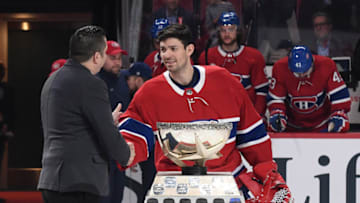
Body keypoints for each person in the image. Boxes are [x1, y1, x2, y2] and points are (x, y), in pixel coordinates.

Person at [118, 24, 292, 202]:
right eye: (163, 49)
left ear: (189, 49)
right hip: (175, 185)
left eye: (173, 49)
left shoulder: (224, 81)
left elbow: (252, 136)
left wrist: (268, 176)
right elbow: (130, 143)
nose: (166, 55)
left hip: (228, 181)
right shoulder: (149, 93)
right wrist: (119, 143)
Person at [38, 25, 134, 203]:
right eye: (105, 53)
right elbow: (106, 133)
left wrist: (107, 120)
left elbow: (72, 125)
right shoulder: (91, 83)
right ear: (97, 56)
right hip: (79, 183)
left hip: (53, 179)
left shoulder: (53, 79)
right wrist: (127, 154)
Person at [198, 12, 269, 117]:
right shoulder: (207, 56)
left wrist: (256, 116)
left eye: (231, 30)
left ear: (238, 31)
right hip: (217, 116)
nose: (227, 34)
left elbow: (261, 91)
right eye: (223, 30)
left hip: (246, 114)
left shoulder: (254, 56)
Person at [267, 45, 351, 132]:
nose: (301, 76)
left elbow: (339, 95)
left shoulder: (326, 65)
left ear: (312, 63)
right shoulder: (280, 67)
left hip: (322, 125)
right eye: (297, 73)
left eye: (305, 72)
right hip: (291, 126)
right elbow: (276, 98)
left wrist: (339, 114)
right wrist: (277, 114)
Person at [97, 40, 130, 203]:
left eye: (119, 58)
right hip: (100, 148)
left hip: (120, 145)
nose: (117, 62)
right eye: (112, 58)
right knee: (104, 196)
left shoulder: (125, 79)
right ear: (101, 58)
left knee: (118, 194)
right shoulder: (94, 82)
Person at [125, 62, 156, 202]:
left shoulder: (143, 98)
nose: (127, 82)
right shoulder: (154, 94)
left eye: (129, 78)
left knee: (150, 191)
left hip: (152, 152)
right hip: (152, 152)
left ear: (138, 79)